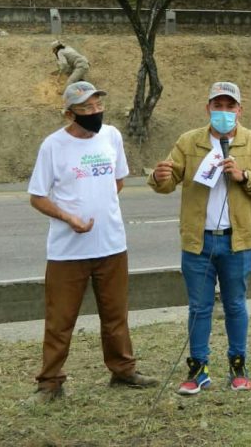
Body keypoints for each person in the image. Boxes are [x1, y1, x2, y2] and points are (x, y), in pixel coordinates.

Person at [27, 81, 158, 403]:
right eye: (86, 108)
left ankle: (123, 370)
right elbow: (37, 197)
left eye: (98, 105)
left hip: (111, 244)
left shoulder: (111, 136)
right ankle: (49, 384)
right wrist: (69, 217)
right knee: (60, 320)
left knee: (115, 316)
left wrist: (100, 205)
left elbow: (118, 181)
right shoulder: (53, 146)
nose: (95, 112)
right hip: (67, 251)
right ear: (70, 114)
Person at [148, 81, 251, 395]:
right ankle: (198, 370)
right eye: (217, 106)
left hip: (237, 241)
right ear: (207, 108)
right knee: (199, 307)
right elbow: (167, 180)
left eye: (229, 106)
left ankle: (238, 367)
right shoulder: (189, 141)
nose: (223, 112)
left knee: (235, 305)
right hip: (198, 241)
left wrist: (244, 176)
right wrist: (158, 176)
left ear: (239, 110)